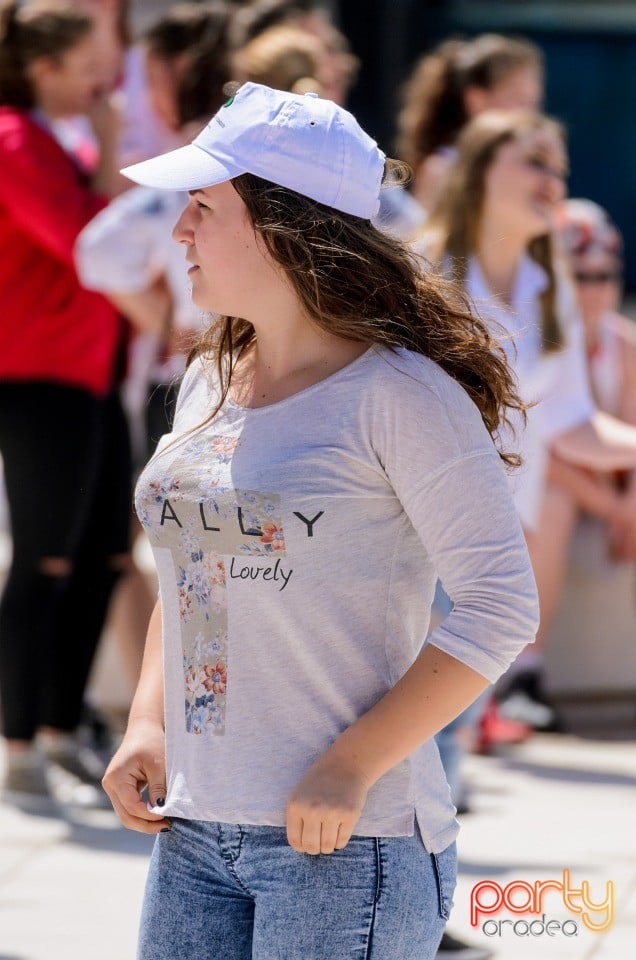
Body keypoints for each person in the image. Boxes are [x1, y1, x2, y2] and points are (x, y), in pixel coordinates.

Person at [102, 81, 539, 960]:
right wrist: (147, 722)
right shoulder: (208, 379)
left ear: (281, 223)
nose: (178, 231)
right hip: (191, 832)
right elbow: (193, 572)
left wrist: (353, 764)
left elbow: (501, 605)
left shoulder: (402, 395)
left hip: (347, 844)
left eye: (201, 207)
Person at [414, 109, 636, 730]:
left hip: (492, 541)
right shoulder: (420, 269)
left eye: (558, 169)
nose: (553, 183)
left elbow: (573, 425)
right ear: (482, 171)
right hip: (414, 532)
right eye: (535, 162)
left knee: (442, 756)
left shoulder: (549, 283)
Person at [0, 0, 129, 804]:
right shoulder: (14, 137)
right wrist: (115, 152)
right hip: (36, 372)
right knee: (44, 560)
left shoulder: (54, 140)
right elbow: (92, 241)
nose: (103, 84)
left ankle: (56, 730)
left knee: (103, 558)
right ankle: (17, 747)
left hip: (88, 371)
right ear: (45, 67)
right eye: (88, 67)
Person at [397, 34, 543, 211]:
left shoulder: (531, 171)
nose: (529, 113)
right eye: (517, 97)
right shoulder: (442, 172)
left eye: (533, 101)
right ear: (477, 100)